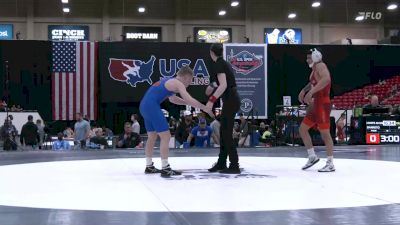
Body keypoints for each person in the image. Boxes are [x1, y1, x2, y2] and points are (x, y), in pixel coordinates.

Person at [139, 65, 214, 177]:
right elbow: (189, 99)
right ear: (186, 77)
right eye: (190, 80)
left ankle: (149, 166)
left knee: (152, 137)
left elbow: (173, 99)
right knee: (166, 136)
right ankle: (165, 168)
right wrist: (204, 108)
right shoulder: (178, 83)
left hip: (144, 106)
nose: (189, 84)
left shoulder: (170, 80)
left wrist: (187, 103)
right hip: (151, 106)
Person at [206, 43, 241, 174]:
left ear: (211, 53)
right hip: (230, 100)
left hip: (231, 100)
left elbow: (224, 85)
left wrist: (211, 101)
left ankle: (234, 165)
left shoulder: (219, 64)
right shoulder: (222, 63)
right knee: (223, 133)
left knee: (226, 134)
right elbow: (219, 84)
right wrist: (211, 87)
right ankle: (222, 163)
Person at [298, 48, 335, 172]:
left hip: (323, 104)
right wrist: (304, 90)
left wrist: (311, 92)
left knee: (325, 133)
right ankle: (312, 156)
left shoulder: (321, 66)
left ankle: (330, 163)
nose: (307, 60)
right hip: (316, 104)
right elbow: (313, 83)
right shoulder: (314, 70)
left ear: (315, 57)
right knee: (303, 129)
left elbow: (326, 79)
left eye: (309, 58)